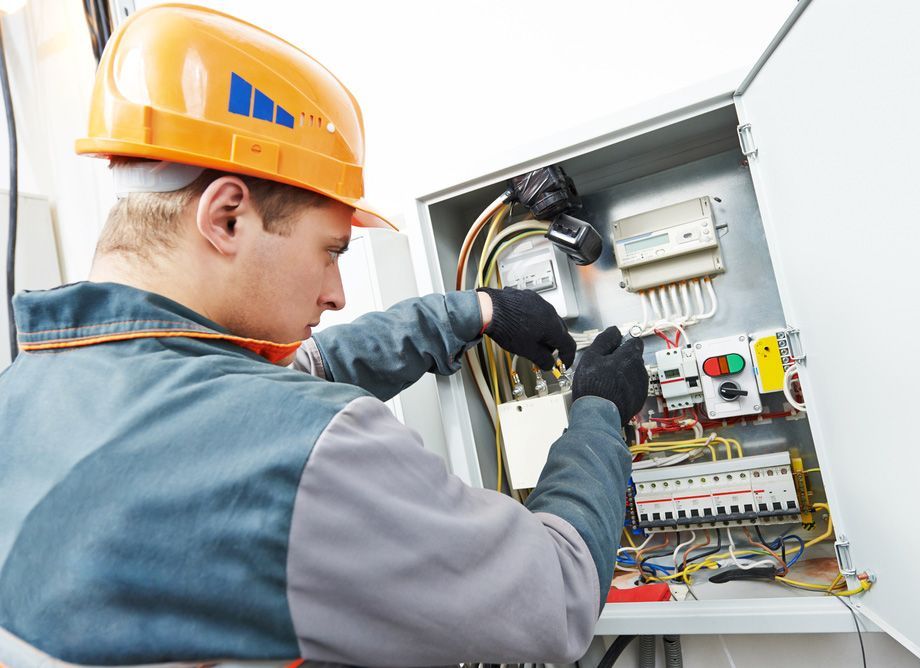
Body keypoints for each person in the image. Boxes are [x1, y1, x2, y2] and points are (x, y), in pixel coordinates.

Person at [0, 5, 648, 666]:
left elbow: (289, 377)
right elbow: (554, 594)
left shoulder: (25, 397)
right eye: (331, 249)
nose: (337, 291)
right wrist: (598, 413)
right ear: (227, 218)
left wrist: (475, 311)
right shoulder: (306, 449)